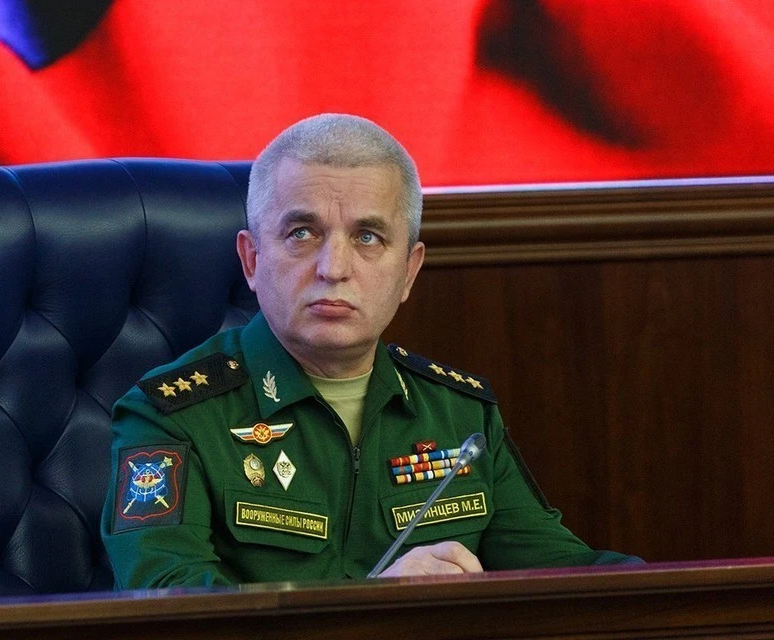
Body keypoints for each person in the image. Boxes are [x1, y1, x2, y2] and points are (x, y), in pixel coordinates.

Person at [101, 113, 641, 589]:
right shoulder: (171, 417)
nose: (334, 268)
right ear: (251, 260)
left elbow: (568, 577)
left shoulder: (459, 415)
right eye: (302, 233)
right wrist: (368, 604)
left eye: (367, 238)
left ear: (408, 271)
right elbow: (172, 603)